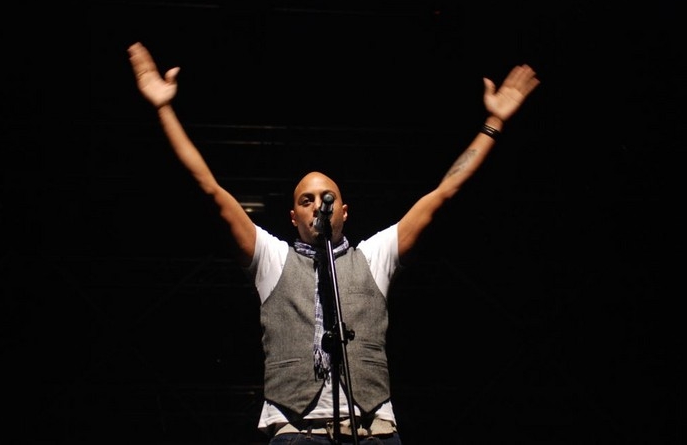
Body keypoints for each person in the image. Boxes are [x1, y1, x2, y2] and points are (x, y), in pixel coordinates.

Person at [127, 41, 540, 444]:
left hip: (373, 430)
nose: (316, 205)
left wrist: (493, 123)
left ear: (344, 211)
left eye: (326, 198)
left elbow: (444, 193)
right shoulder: (273, 258)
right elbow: (210, 190)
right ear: (293, 217)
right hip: (295, 431)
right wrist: (164, 109)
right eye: (305, 200)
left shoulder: (374, 256)